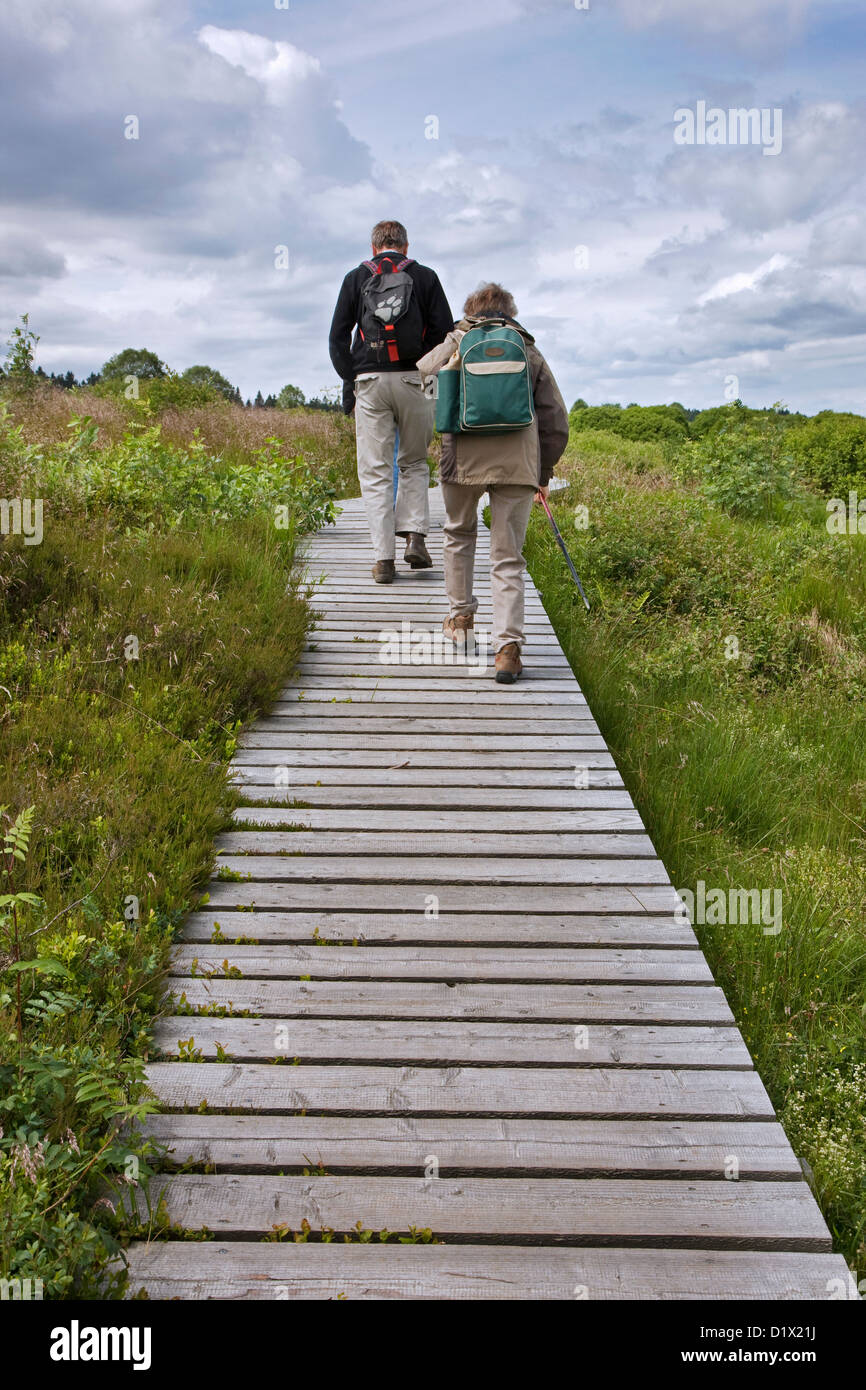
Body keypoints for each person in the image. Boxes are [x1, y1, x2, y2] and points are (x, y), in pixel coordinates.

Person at [417, 283, 569, 684]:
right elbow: (556, 420)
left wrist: (454, 341)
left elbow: (423, 375)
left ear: (470, 311)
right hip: (518, 466)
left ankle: (461, 619)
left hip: (462, 460)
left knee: (458, 535)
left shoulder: (458, 340)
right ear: (510, 311)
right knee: (507, 556)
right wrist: (543, 472)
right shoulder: (527, 348)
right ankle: (507, 649)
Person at [329, 220, 454, 582]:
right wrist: (430, 383)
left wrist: (352, 378)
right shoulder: (426, 277)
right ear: (406, 246)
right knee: (414, 462)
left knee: (376, 471)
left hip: (369, 380)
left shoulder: (356, 278)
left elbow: (337, 337)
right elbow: (445, 335)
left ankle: (383, 559)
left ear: (373, 248)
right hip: (417, 378)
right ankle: (415, 536)